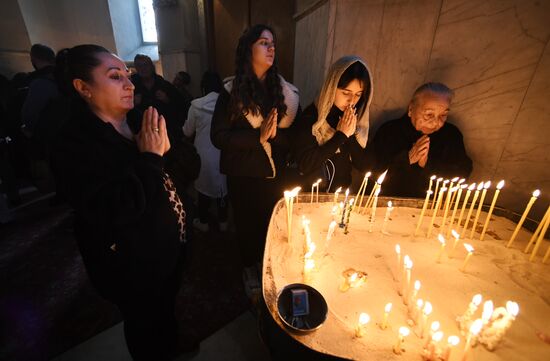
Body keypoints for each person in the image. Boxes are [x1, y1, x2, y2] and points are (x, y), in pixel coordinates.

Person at [52, 44, 187, 360]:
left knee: (166, 310)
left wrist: (168, 151)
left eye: (128, 75)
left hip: (167, 248)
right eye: (115, 77)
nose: (130, 84)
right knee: (143, 324)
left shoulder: (139, 118)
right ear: (83, 88)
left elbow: (177, 172)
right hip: (131, 265)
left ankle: (171, 345)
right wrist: (152, 158)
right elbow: (113, 210)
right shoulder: (73, 145)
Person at [211, 24, 299, 296]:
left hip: (274, 172)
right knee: (248, 227)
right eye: (263, 42)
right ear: (248, 49)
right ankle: (249, 268)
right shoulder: (232, 91)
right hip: (244, 173)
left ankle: (269, 266)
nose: (271, 48)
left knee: (272, 224)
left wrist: (272, 137)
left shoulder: (281, 90)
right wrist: (257, 137)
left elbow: (289, 138)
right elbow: (219, 136)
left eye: (273, 43)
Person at [370, 82, 472, 197]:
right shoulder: (389, 131)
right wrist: (407, 159)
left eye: (443, 115)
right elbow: (372, 174)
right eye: (429, 114)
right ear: (411, 109)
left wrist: (428, 164)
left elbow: (462, 173)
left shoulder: (451, 135)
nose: (435, 122)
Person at [293, 56, 373, 192]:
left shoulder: (354, 120)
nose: (352, 100)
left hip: (340, 199)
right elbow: (305, 164)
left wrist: (350, 133)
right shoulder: (312, 118)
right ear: (331, 87)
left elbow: (363, 165)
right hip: (311, 198)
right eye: (346, 92)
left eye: (358, 94)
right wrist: (340, 136)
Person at [183, 71, 228, 232]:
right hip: (223, 152)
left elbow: (187, 132)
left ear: (203, 88)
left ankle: (203, 222)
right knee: (223, 188)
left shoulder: (196, 105)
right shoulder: (227, 104)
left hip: (202, 154)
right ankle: (223, 222)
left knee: (203, 188)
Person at [130, 54, 186, 141]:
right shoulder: (130, 87)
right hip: (141, 133)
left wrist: (167, 100)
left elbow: (182, 106)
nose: (143, 69)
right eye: (139, 66)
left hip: (167, 132)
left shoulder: (165, 85)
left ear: (152, 67)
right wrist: (132, 103)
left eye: (146, 65)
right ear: (136, 68)